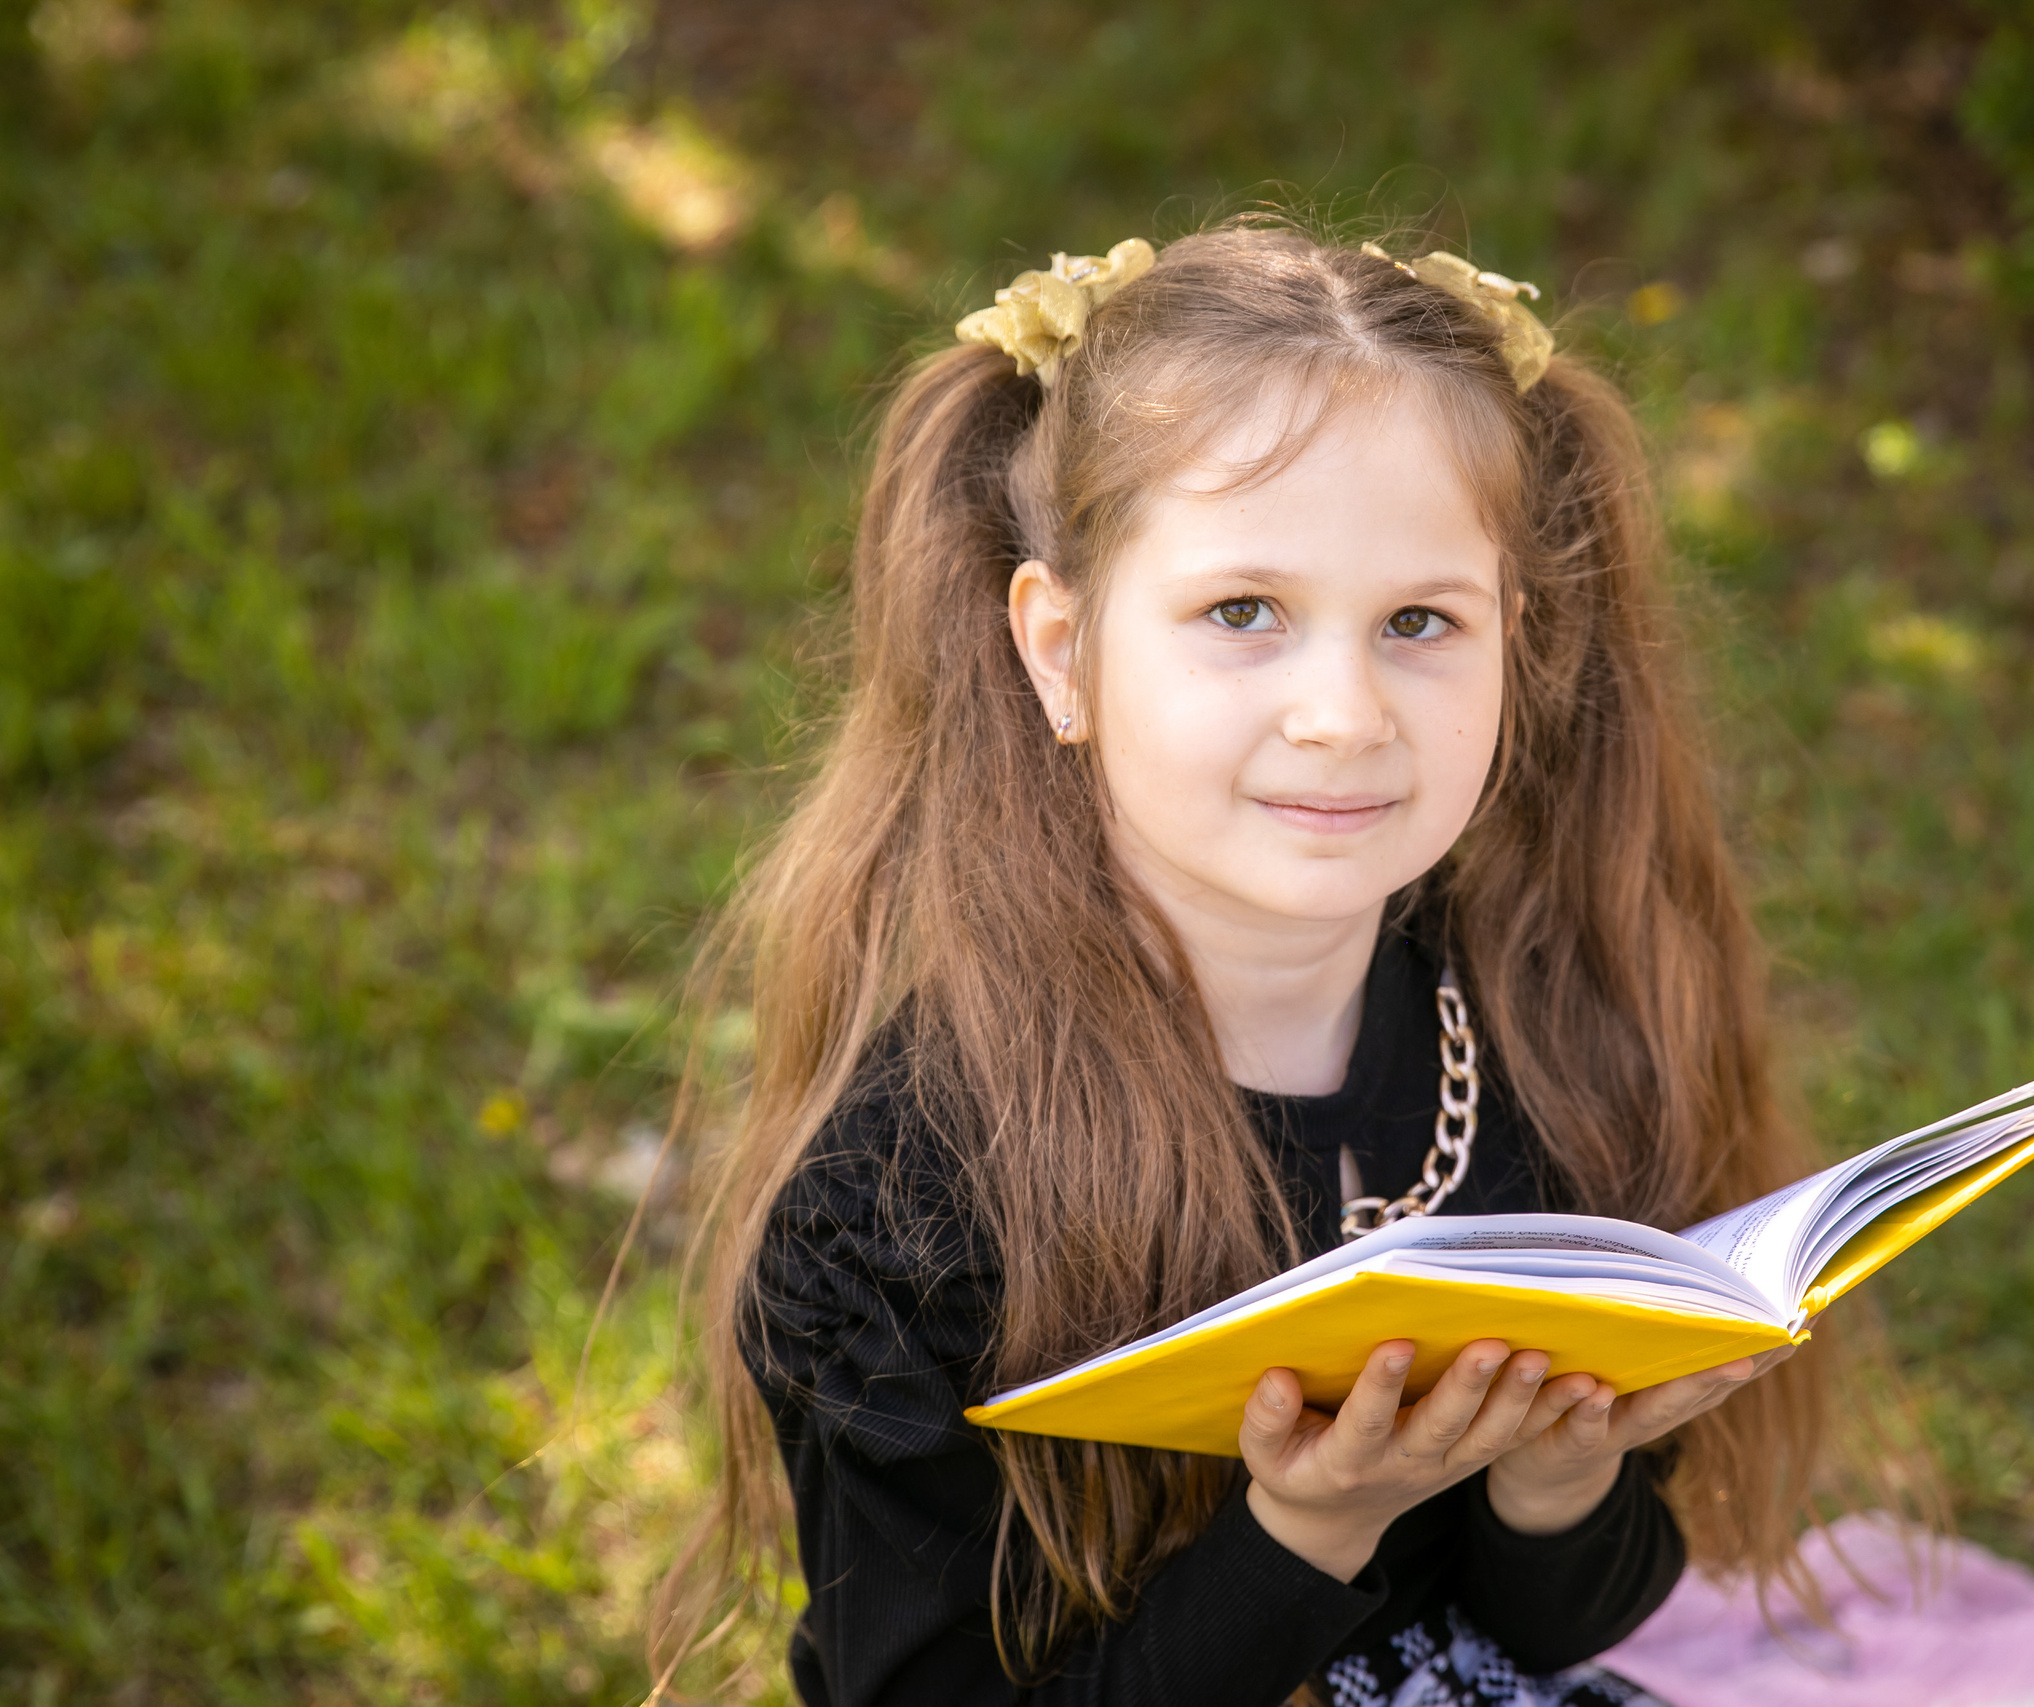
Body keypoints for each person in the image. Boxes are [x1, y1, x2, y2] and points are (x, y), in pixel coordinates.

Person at [655, 223, 1832, 1706]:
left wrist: (1560, 1481)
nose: (1343, 713)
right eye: (1242, 614)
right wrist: (1308, 1531)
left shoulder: (1533, 1047)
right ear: (1061, 650)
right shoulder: (908, 1199)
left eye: (1420, 622)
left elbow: (1556, 1628)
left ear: (1513, 647)